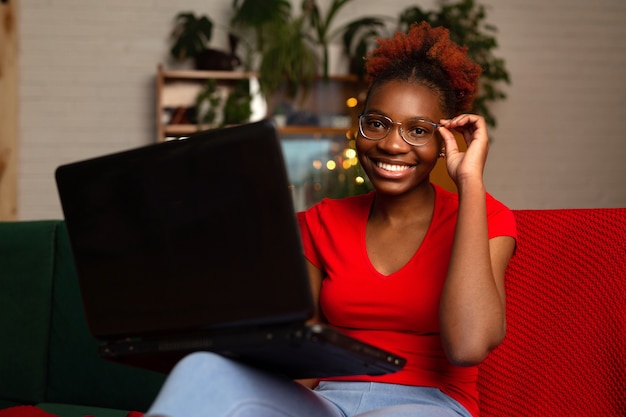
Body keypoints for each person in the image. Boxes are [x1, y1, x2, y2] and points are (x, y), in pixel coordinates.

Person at [146, 21, 517, 417]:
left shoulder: (486, 216)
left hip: (429, 405)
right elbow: (301, 357)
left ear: (445, 141)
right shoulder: (319, 222)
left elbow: (468, 346)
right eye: (377, 123)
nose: (392, 144)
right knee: (202, 370)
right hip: (327, 402)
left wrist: (469, 181)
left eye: (418, 131)